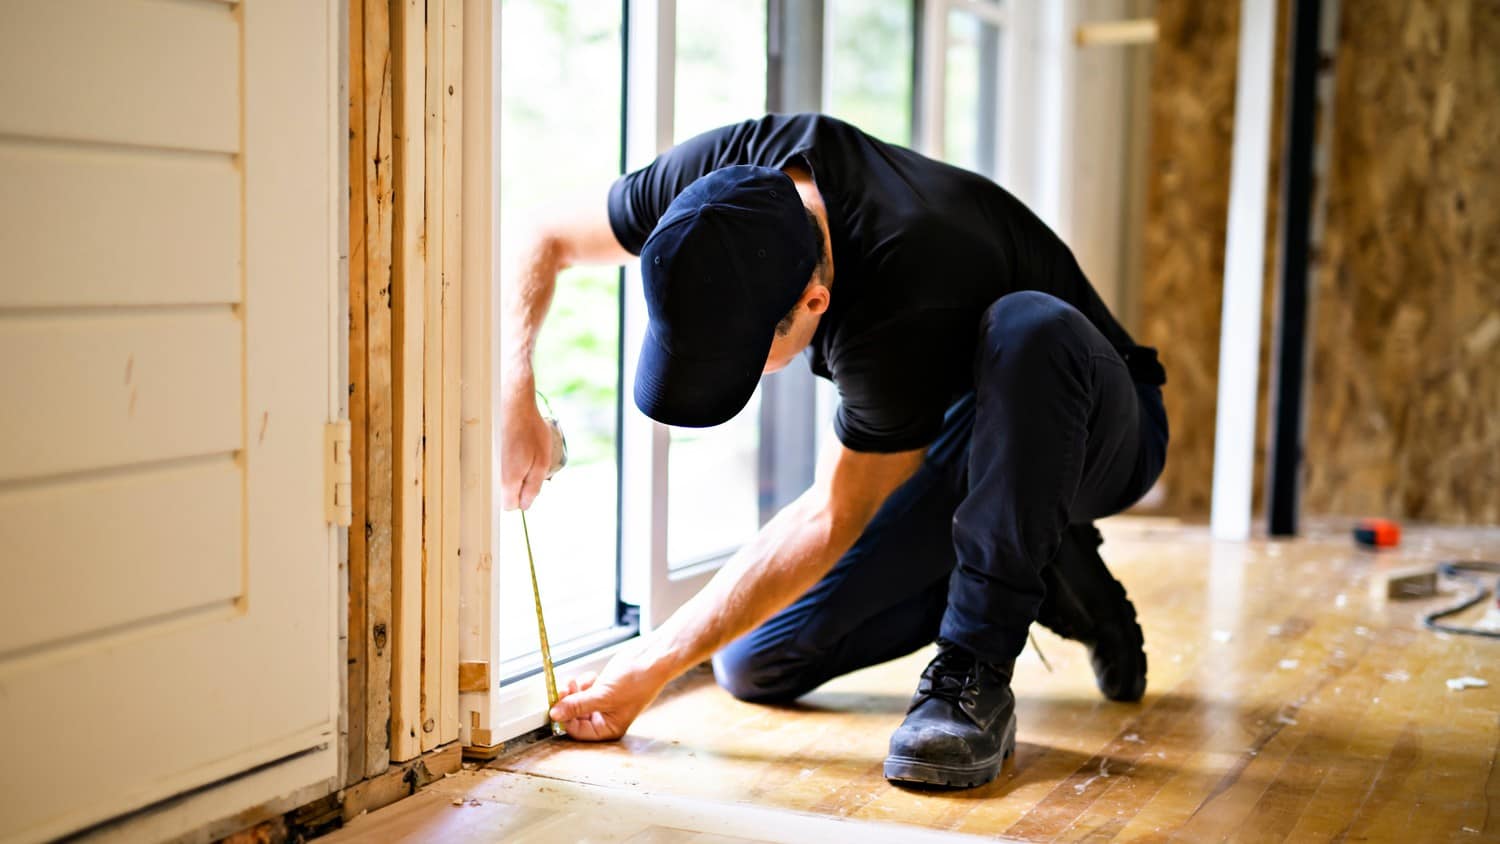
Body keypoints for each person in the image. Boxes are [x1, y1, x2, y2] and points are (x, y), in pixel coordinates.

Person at [501, 113, 1168, 789]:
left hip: (1093, 425)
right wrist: (513, 388)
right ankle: (1042, 564)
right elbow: (543, 232)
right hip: (957, 429)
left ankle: (975, 673)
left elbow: (832, 513)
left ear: (816, 300)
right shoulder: (716, 196)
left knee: (1030, 326)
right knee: (755, 663)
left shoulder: (902, 284)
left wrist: (647, 665)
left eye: (742, 360)